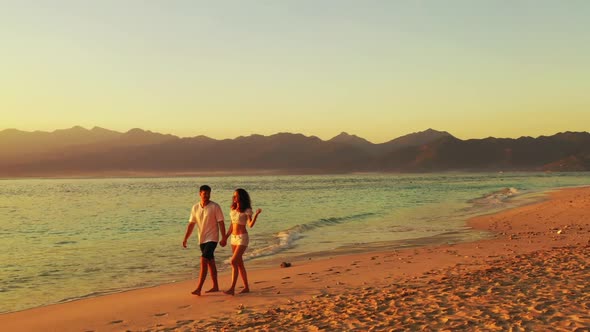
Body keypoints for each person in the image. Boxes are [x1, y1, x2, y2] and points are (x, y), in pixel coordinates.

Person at [182, 185, 227, 296]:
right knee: (211, 262)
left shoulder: (215, 206)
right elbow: (191, 224)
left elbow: (221, 222)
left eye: (208, 193)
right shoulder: (195, 207)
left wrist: (224, 237)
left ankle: (199, 288)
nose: (206, 195)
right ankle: (215, 286)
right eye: (204, 193)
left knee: (203, 260)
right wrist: (185, 238)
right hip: (202, 239)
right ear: (200, 194)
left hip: (213, 238)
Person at [223, 188, 262, 295]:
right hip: (233, 238)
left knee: (233, 261)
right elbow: (231, 225)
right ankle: (246, 287)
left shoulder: (247, 210)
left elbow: (250, 225)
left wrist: (256, 215)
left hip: (242, 238)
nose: (234, 198)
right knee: (239, 264)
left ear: (241, 197)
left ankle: (232, 288)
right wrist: (225, 237)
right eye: (233, 196)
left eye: (236, 196)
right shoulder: (233, 209)